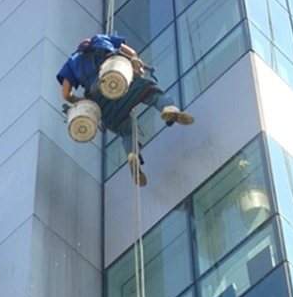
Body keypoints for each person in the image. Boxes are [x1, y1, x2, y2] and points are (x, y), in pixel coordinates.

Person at [56, 33, 194, 186]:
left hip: (98, 98)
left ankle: (132, 154)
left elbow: (65, 94)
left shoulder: (71, 61)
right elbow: (131, 53)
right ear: (89, 41)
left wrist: (78, 101)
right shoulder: (100, 39)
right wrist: (136, 62)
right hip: (116, 75)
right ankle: (168, 108)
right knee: (153, 94)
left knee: (126, 130)